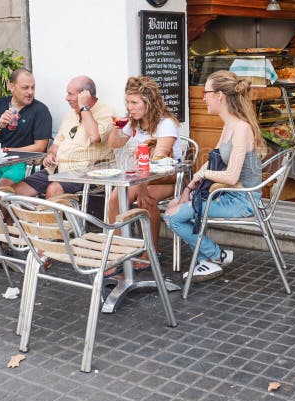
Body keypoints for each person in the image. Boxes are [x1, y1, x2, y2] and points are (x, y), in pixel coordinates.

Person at [164, 70, 266, 282]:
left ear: (220, 95)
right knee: (173, 208)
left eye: (206, 92)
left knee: (173, 216)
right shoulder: (229, 125)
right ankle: (210, 260)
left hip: (244, 201)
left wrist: (196, 183)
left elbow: (230, 176)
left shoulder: (241, 128)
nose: (203, 98)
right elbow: (213, 162)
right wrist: (188, 189)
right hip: (228, 195)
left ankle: (214, 256)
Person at [107, 76, 181, 264]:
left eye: (134, 102)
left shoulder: (166, 124)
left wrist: (141, 185)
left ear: (149, 102)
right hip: (141, 176)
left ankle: (151, 251)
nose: (129, 107)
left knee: (146, 199)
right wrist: (116, 128)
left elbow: (160, 158)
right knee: (115, 198)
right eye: (127, 102)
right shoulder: (133, 122)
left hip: (169, 177)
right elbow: (114, 144)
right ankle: (117, 252)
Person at [13, 75, 113, 198]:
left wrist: (84, 108)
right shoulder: (70, 115)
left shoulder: (105, 112)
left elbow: (94, 137)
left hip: (85, 172)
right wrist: (50, 155)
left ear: (84, 95)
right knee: (17, 191)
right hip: (58, 168)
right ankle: (26, 217)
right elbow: (55, 145)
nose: (67, 98)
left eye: (70, 94)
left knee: (54, 189)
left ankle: (48, 217)